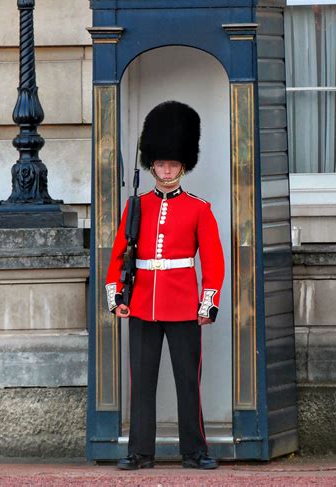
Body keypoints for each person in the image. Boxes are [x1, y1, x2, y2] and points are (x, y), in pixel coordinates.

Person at [105, 101, 225, 471]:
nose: (166, 168)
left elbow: (214, 262)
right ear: (151, 164)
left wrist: (208, 303)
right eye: (160, 163)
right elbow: (119, 254)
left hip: (184, 304)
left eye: (172, 163)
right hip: (142, 303)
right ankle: (140, 452)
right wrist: (117, 297)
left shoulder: (199, 208)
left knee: (188, 381)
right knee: (142, 383)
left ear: (183, 165)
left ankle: (195, 451)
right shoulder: (136, 207)